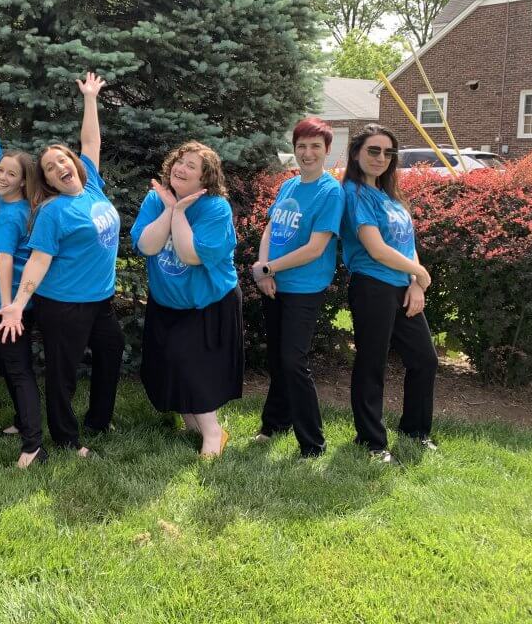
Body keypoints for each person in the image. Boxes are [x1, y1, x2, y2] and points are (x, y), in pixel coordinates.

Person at [0, 72, 124, 458]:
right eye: (49, 167)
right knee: (62, 374)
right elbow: (37, 261)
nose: (58, 167)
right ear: (47, 180)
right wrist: (17, 303)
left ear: (73, 163)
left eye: (61, 160)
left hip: (100, 299)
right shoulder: (53, 211)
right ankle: (67, 439)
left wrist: (90, 98)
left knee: (110, 351)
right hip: (64, 304)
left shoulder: (92, 186)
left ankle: (99, 420)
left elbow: (91, 140)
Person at [130, 141, 243, 459]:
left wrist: (179, 212)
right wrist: (168, 207)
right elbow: (148, 246)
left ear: (205, 179)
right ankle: (195, 425)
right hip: (167, 303)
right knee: (171, 365)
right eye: (179, 161)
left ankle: (213, 433)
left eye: (191, 166)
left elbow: (190, 255)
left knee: (192, 368)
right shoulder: (156, 199)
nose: (180, 167)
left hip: (206, 303)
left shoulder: (215, 208)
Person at [340, 123, 438, 463]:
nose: (381, 157)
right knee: (372, 364)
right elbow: (377, 248)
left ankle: (415, 431)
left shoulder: (389, 195)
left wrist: (415, 283)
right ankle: (371, 442)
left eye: (387, 152)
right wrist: (420, 273)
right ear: (356, 153)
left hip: (402, 287)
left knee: (425, 359)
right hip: (372, 286)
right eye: (373, 150)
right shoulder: (353, 194)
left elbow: (405, 244)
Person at [251, 117, 344, 458]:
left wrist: (269, 268)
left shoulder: (330, 192)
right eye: (301, 146)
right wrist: (263, 272)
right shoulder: (289, 186)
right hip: (275, 283)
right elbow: (270, 231)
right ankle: (275, 424)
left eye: (315, 147)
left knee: (293, 360)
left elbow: (315, 248)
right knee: (279, 359)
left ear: (327, 151)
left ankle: (313, 442)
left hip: (304, 287)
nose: (307, 153)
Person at [0, 150, 45, 468]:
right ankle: (21, 421)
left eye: (11, 174)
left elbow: (4, 259)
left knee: (18, 371)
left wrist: (7, 307)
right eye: (0, 170)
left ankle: (33, 446)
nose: (2, 177)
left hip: (7, 307)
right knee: (12, 366)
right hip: (17, 303)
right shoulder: (18, 209)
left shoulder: (9, 215)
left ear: (24, 181)